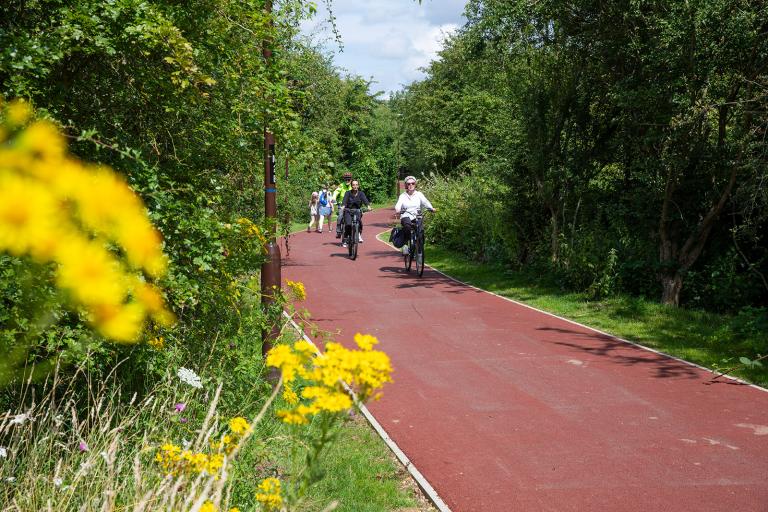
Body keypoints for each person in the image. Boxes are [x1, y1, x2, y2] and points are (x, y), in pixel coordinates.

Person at [394, 176, 436, 254]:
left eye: (413, 183)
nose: (411, 185)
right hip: (406, 216)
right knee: (407, 226)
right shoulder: (403, 196)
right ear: (406, 185)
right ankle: (406, 244)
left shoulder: (419, 194)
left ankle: (419, 249)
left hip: (417, 216)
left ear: (415, 184)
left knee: (420, 231)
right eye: (408, 183)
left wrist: (431, 208)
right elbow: (398, 205)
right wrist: (398, 210)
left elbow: (425, 202)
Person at [341, 179, 371, 246]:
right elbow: (344, 201)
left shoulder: (361, 193)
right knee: (348, 224)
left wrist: (368, 206)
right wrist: (343, 207)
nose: (355, 186)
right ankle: (345, 238)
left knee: (359, 223)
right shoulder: (347, 193)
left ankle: (358, 234)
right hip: (348, 210)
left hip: (357, 211)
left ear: (358, 186)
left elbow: (365, 200)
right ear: (351, 186)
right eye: (353, 185)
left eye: (356, 185)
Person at [332, 172, 353, 238]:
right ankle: (338, 232)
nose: (347, 181)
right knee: (340, 216)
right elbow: (336, 192)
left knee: (356, 216)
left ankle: (357, 233)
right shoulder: (341, 185)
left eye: (348, 179)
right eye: (346, 179)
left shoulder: (353, 185)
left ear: (351, 179)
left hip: (351, 205)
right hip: (341, 204)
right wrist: (334, 198)